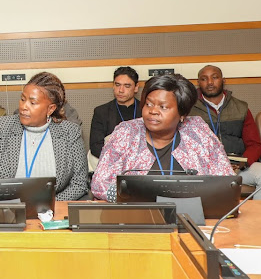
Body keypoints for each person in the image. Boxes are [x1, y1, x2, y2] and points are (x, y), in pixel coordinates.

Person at [91, 74, 234, 202]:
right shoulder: (126, 132)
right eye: (148, 104)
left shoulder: (198, 132)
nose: (153, 111)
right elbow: (99, 183)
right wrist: (132, 198)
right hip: (136, 214)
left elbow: (227, 182)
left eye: (163, 107)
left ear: (182, 113)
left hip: (193, 215)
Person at [0, 72, 89, 200]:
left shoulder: (70, 132)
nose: (23, 107)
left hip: (51, 212)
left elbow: (79, 184)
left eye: (32, 103)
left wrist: (50, 205)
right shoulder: (3, 127)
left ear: (50, 109)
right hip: (9, 209)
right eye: (22, 99)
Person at [190, 65, 261, 203]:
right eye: (204, 79)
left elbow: (254, 145)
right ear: (198, 83)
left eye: (215, 77)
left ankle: (257, 221)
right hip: (205, 168)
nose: (210, 82)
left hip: (238, 166)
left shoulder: (241, 107)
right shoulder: (189, 109)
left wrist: (241, 163)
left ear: (223, 80)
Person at [88, 67, 143, 169]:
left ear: (136, 87)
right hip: (111, 166)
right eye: (117, 85)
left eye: (127, 86)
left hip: (141, 165)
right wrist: (119, 162)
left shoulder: (145, 110)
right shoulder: (101, 112)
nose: (121, 90)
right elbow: (95, 146)